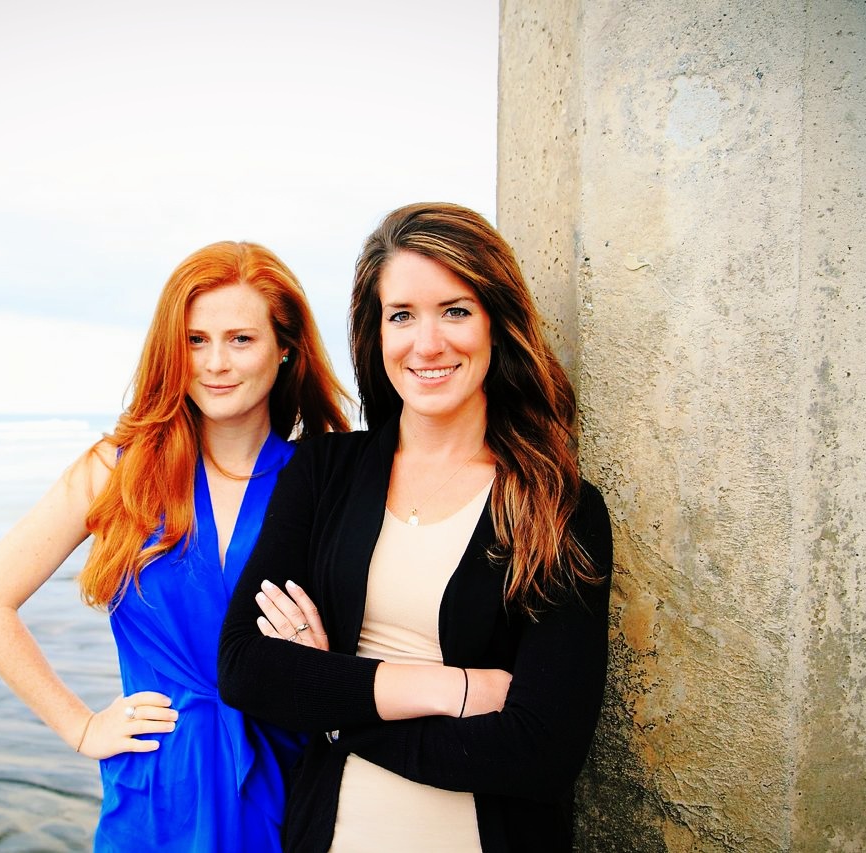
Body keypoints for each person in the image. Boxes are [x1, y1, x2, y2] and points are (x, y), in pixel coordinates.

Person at [218, 203, 613, 852]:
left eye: (454, 310)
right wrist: (449, 687)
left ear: (496, 322)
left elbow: (541, 750)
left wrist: (335, 704)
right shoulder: (324, 471)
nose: (427, 343)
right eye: (402, 315)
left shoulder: (558, 506)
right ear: (377, 333)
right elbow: (245, 667)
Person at [0, 241, 349, 851]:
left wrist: (322, 665)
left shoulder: (322, 481)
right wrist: (82, 727)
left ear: (286, 347)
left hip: (287, 778)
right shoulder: (118, 470)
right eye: (195, 340)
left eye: (241, 339)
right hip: (160, 788)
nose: (216, 363)